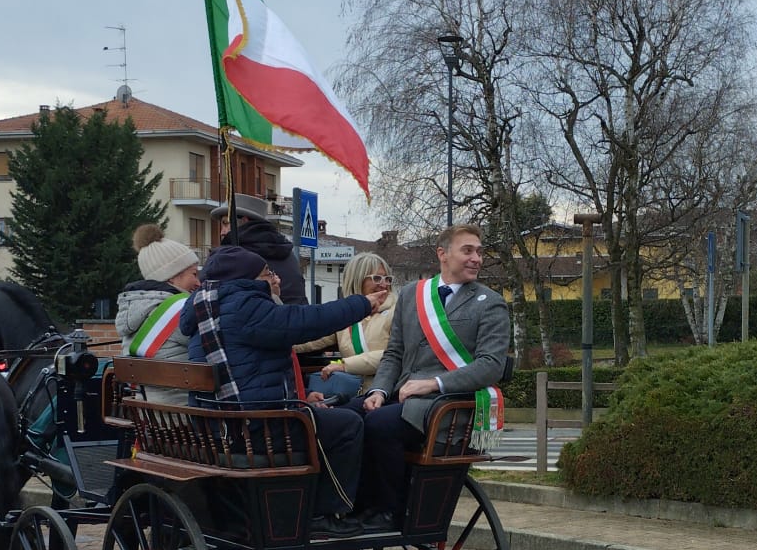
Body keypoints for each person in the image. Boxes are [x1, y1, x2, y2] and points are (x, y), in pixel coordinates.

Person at [180, 243, 387, 526]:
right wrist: (361, 304)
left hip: (219, 426)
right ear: (246, 280)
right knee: (347, 425)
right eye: (267, 274)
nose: (275, 279)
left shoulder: (206, 309)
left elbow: (254, 367)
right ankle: (327, 513)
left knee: (325, 416)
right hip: (255, 430)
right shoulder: (244, 307)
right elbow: (304, 321)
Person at [358, 224, 511, 525]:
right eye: (467, 251)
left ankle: (390, 510)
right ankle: (352, 506)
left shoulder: (490, 302)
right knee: (347, 416)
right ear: (442, 254)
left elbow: (491, 364)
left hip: (445, 405)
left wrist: (434, 383)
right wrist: (377, 391)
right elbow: (394, 354)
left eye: (479, 252)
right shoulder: (413, 295)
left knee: (378, 424)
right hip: (401, 397)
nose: (476, 259)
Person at [115, 224, 202, 403]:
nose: (199, 282)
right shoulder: (182, 309)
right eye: (194, 274)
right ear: (171, 276)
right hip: (184, 419)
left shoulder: (134, 311)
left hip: (147, 418)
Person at [296, 254, 397, 402]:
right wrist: (281, 340)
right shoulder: (347, 314)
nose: (384, 284)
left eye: (387, 279)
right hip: (352, 393)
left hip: (386, 393)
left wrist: (344, 365)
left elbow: (394, 356)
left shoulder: (398, 311)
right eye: (377, 278)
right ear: (357, 278)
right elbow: (312, 337)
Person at [209, 194, 305, 302]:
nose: (222, 232)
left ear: (244, 221)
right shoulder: (288, 255)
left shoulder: (234, 256)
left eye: (226, 223)